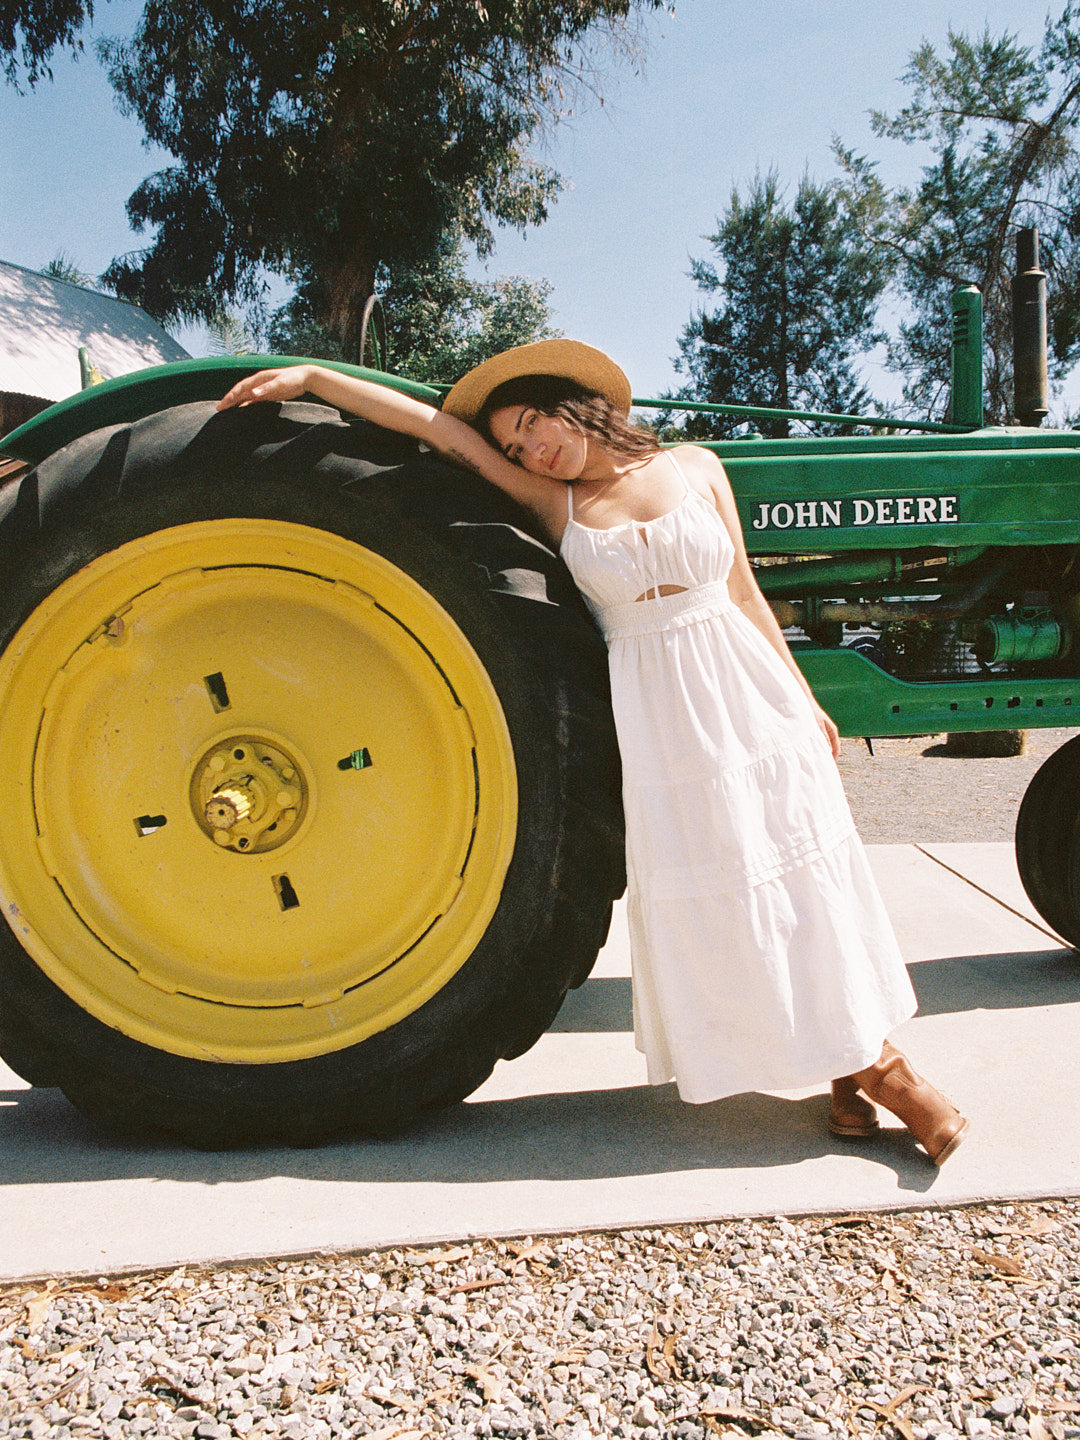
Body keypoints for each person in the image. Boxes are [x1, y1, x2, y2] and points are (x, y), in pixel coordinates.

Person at [217, 339, 969, 1166]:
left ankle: (859, 1074)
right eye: (515, 447)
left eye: (533, 425)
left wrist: (806, 700)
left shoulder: (697, 466)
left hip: (754, 701)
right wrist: (317, 377)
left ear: (575, 405)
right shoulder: (554, 504)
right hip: (664, 729)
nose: (531, 450)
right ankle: (877, 1071)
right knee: (731, 892)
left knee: (805, 883)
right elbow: (439, 432)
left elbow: (746, 595)